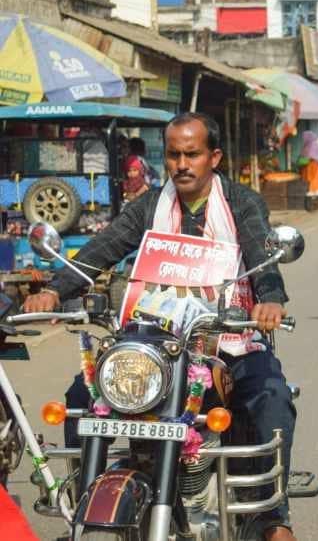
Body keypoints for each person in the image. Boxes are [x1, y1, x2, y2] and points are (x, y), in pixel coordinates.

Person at [23, 113, 298, 541]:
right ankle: (84, 496)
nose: (182, 164)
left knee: (271, 396)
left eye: (192, 154)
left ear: (214, 157)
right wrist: (56, 290)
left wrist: (270, 298)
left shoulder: (242, 203)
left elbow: (261, 251)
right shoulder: (149, 205)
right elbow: (103, 248)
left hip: (227, 339)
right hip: (155, 346)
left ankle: (272, 517)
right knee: (83, 394)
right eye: (173, 155)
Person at [121, 137, 156, 201]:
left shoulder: (133, 161)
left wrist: (134, 195)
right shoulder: (138, 161)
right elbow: (149, 181)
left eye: (126, 147)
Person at [298, 130, 318, 194]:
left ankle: (315, 192)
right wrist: (300, 161)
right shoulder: (306, 146)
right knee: (308, 181)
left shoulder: (313, 145)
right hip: (308, 167)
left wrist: (302, 161)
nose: (304, 139)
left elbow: (311, 157)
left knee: (314, 182)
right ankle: (311, 191)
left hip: (315, 167)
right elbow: (302, 157)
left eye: (305, 137)